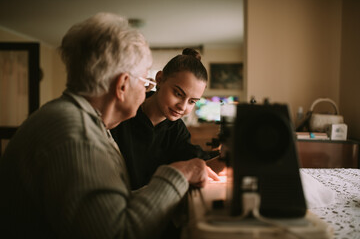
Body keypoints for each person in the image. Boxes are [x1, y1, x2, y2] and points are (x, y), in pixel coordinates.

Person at [0, 13, 215, 239]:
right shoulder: (78, 135)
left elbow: (112, 206)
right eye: (144, 82)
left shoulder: (84, 122)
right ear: (122, 85)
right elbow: (115, 233)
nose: (146, 90)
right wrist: (178, 173)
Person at [110, 48, 224, 191]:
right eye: (178, 93)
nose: (182, 106)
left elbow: (200, 168)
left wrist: (229, 156)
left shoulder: (177, 129)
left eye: (192, 101)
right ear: (159, 79)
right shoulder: (124, 111)